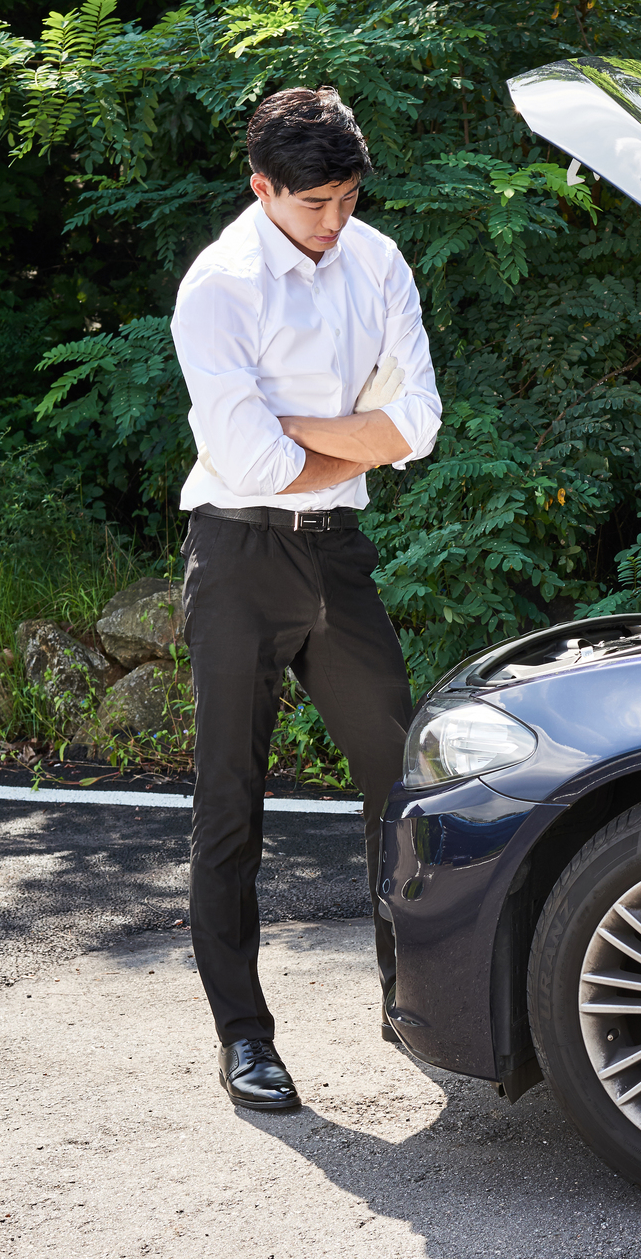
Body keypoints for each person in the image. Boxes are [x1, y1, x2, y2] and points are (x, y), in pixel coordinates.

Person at [170, 86, 441, 1112]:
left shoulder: (376, 260)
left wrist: (298, 430)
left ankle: (413, 995)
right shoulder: (219, 285)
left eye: (346, 197)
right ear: (261, 187)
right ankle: (244, 1036)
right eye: (313, 202)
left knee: (401, 781)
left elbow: (418, 420)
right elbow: (245, 460)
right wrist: (352, 429)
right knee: (230, 802)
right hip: (237, 555)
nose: (333, 221)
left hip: (337, 558)